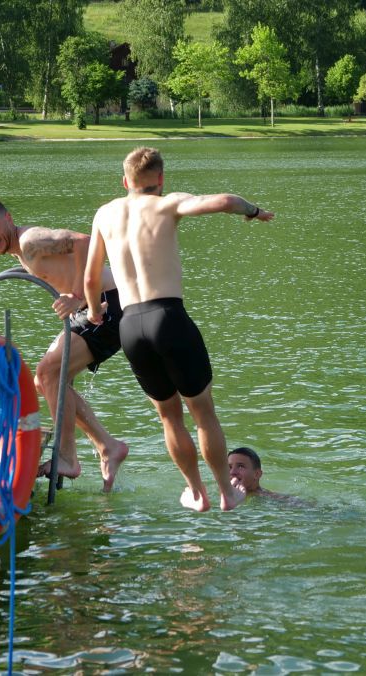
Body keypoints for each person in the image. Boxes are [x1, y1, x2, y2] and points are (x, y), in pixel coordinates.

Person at [83, 147, 274, 512]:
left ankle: (196, 493)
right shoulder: (167, 204)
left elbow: (91, 276)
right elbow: (223, 201)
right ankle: (224, 492)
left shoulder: (104, 214)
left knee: (169, 417)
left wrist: (93, 311)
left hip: (130, 328)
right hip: (167, 317)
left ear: (125, 182)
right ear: (160, 179)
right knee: (203, 413)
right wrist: (254, 211)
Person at [0, 199, 129, 491]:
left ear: (8, 218)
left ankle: (68, 457)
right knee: (46, 382)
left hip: (109, 303)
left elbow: (85, 241)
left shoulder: (30, 241)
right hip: (96, 304)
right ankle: (107, 446)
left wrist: (78, 294)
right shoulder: (23, 252)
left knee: (47, 374)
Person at [228, 447, 302, 504]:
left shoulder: (269, 498)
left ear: (257, 474)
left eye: (240, 466)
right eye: (229, 467)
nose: (232, 472)